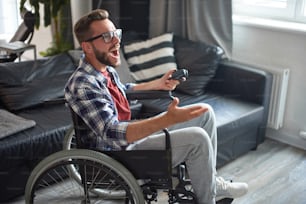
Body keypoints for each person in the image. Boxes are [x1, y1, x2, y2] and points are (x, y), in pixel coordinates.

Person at [65, 9, 248, 204]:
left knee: (204, 112)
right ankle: (208, 197)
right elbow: (112, 132)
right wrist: (166, 120)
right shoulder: (84, 85)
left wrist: (157, 84)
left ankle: (210, 184)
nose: (117, 41)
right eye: (107, 36)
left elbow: (123, 90)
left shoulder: (104, 69)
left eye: (116, 33)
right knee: (198, 139)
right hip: (118, 153)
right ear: (88, 47)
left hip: (130, 140)